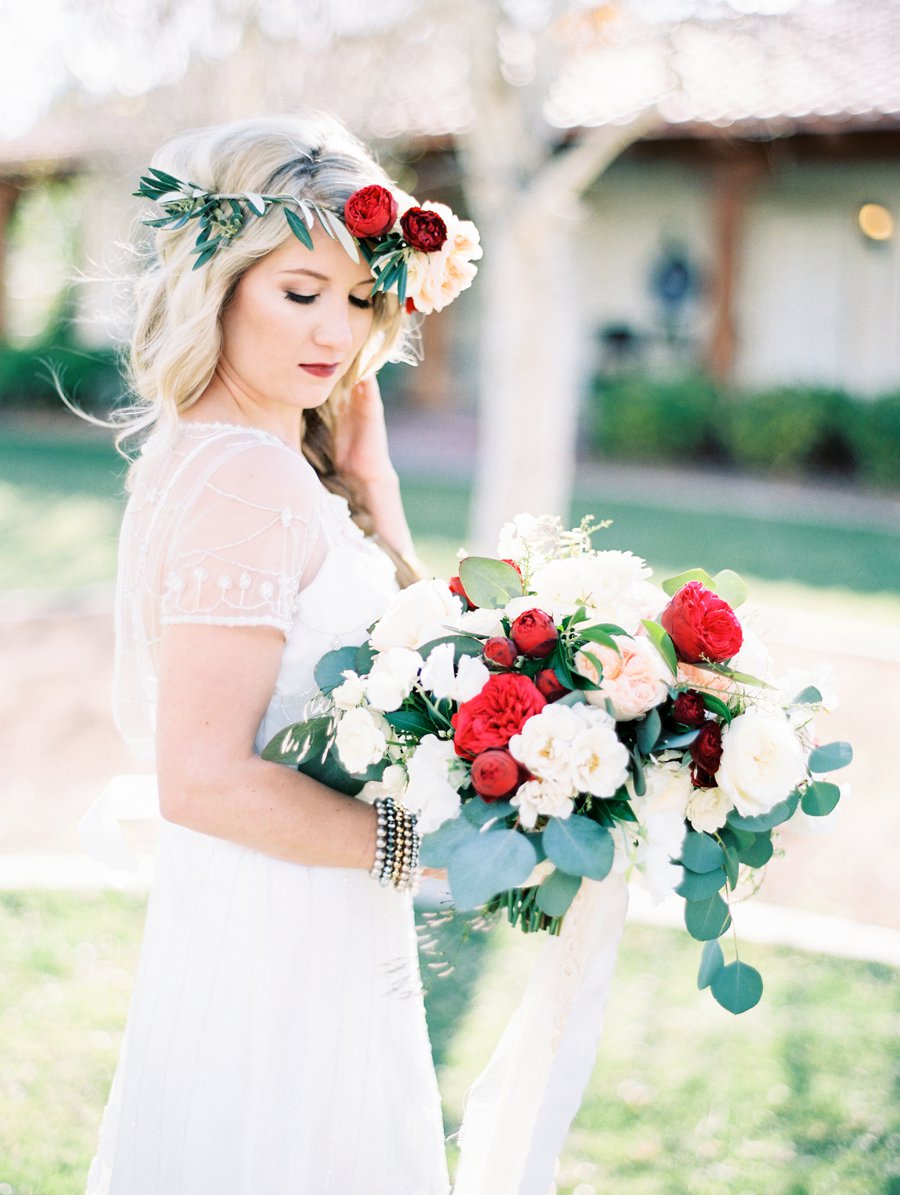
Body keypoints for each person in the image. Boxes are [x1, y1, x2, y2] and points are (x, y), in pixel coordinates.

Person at [84, 110, 481, 1194]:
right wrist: (420, 847)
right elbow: (203, 777)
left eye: (360, 299)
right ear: (218, 281)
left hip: (303, 896)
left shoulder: (253, 457)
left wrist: (374, 481)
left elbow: (409, 640)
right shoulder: (245, 478)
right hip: (279, 925)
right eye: (299, 291)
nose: (336, 332)